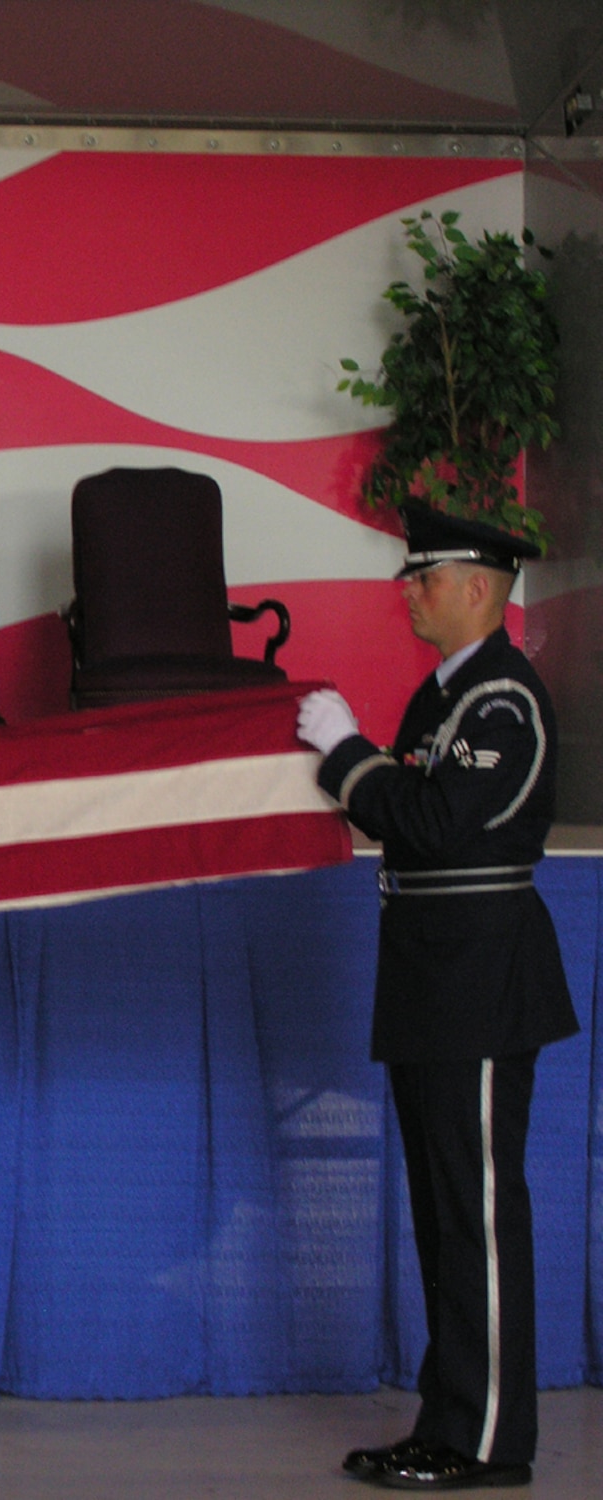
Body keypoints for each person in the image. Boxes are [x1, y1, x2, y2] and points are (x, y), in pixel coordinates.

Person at [297, 504, 579, 1492]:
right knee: (443, 1212)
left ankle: (489, 1439)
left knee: (477, 1214)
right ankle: (448, 1419)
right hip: (432, 973)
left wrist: (341, 755)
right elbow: (413, 806)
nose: (406, 590)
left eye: (424, 577)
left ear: (477, 589)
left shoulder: (498, 706)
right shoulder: (445, 699)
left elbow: (428, 820)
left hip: (477, 979)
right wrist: (361, 763)